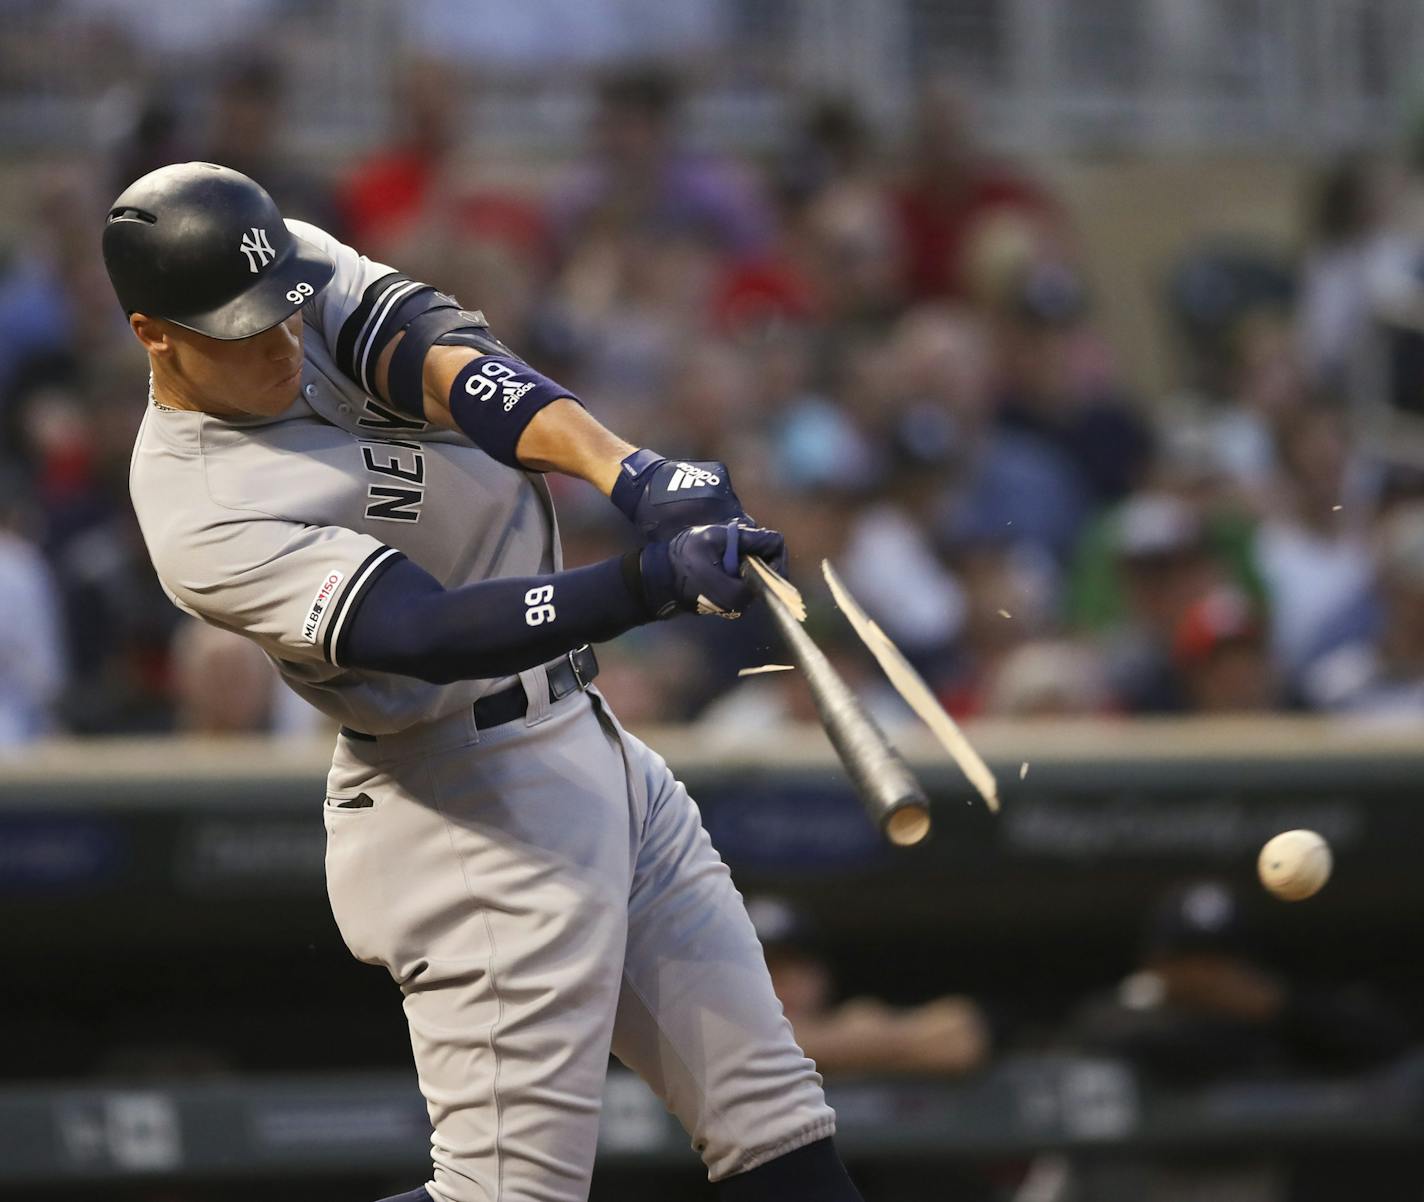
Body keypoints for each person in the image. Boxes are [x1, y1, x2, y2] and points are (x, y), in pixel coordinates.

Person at [104, 163, 862, 1202]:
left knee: (781, 1137)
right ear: (154, 333)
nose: (282, 338)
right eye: (242, 330)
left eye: (282, 310)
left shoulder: (284, 267)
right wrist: (644, 578)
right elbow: (427, 631)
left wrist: (631, 474)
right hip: (465, 803)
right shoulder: (196, 508)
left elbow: (457, 367)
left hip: (585, 742)